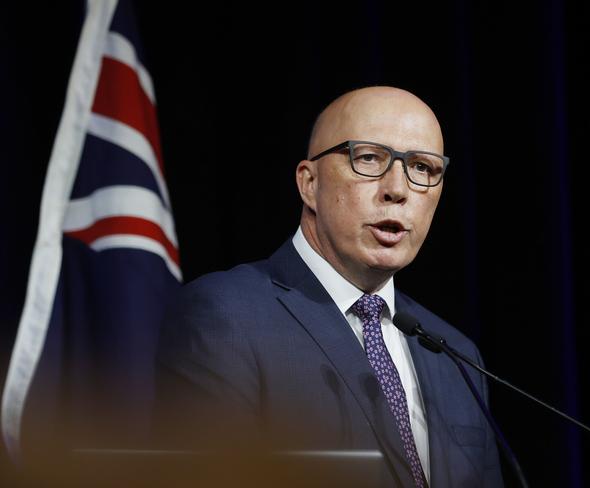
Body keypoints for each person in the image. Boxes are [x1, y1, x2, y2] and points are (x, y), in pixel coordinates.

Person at [155, 86, 504, 487]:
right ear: (309, 183)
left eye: (423, 168)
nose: (398, 189)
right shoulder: (226, 316)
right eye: (370, 157)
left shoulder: (453, 354)